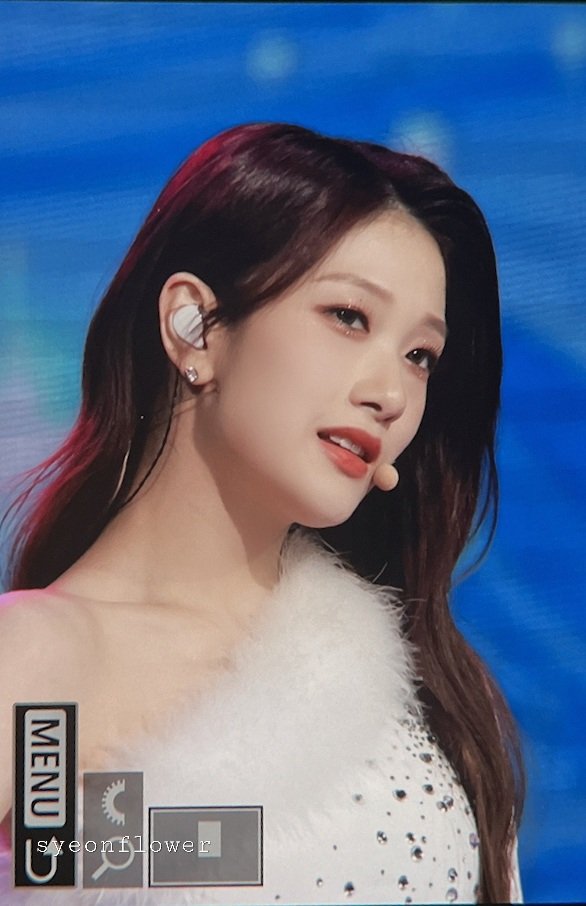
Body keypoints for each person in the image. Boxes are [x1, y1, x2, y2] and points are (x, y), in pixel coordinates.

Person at [0, 123, 524, 904]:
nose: (391, 393)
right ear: (195, 327)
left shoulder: (434, 678)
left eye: (420, 356)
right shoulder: (46, 663)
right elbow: (55, 860)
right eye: (349, 316)